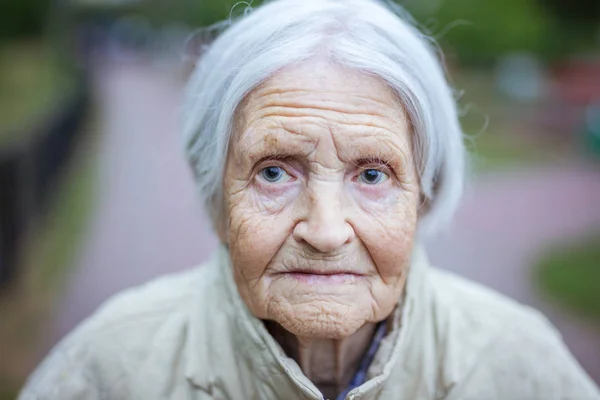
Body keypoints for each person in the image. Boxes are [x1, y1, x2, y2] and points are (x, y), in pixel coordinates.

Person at [19, 0, 600, 399]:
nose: (325, 232)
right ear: (218, 197)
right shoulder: (107, 368)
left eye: (372, 175)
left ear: (422, 199)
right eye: (275, 172)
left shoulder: (519, 364)